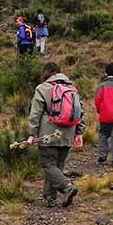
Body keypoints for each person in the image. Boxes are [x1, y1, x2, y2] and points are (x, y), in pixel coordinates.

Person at [26, 62, 84, 207]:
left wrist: (32, 133)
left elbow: (35, 113)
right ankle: (49, 197)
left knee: (47, 164)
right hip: (68, 133)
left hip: (49, 133)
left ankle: (67, 187)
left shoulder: (42, 88)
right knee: (57, 166)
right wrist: (79, 132)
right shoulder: (72, 88)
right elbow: (79, 112)